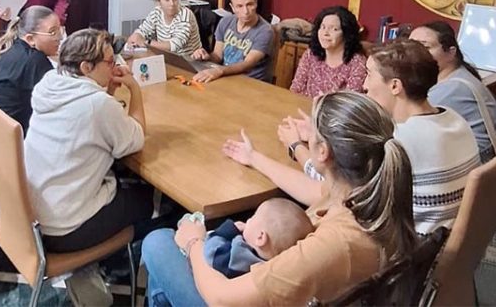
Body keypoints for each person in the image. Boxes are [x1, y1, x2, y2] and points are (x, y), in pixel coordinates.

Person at [141, 91, 418, 306]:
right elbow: (310, 188)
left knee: (159, 243)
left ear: (322, 152)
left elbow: (222, 298)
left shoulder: (335, 244)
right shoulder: (366, 196)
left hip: (236, 299)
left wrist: (193, 243)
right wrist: (254, 158)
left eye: (312, 133)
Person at [282, 40, 480, 234]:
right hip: (442, 243)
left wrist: (296, 145)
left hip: (404, 250)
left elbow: (335, 184)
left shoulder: (396, 140)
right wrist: (322, 133)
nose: (364, 84)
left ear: (395, 86)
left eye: (369, 74)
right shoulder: (454, 119)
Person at [22, 28, 152, 252]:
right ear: (86, 67)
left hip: (34, 217)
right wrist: (134, 89)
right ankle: (117, 262)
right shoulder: (97, 105)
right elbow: (136, 137)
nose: (115, 66)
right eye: (110, 62)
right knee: (148, 199)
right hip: (67, 228)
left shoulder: (50, 84)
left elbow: (90, 120)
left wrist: (107, 90)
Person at [0, 6, 61, 168]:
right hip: (2, 156)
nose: (59, 38)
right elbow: (62, 102)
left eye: (60, 30)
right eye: (52, 32)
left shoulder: (5, 47)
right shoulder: (35, 61)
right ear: (30, 39)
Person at [410, 21, 496, 163]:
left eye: (425, 47)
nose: (414, 54)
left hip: (477, 168)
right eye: (410, 46)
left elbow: (407, 126)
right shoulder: (460, 73)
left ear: (451, 53)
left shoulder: (451, 90)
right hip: (488, 163)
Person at [202, 198, 313, 279]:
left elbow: (211, 252)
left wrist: (227, 231)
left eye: (253, 217)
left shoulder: (240, 258)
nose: (248, 220)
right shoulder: (277, 270)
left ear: (260, 238)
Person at [191, 0, 274, 82]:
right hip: (226, 77)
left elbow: (247, 64)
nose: (246, 11)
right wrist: (205, 56)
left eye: (250, 4)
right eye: (239, 6)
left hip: (252, 83)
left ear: (256, 3)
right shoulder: (225, 22)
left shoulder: (265, 31)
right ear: (232, 8)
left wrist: (219, 70)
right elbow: (217, 56)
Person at [290, 6, 367, 97]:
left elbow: (350, 102)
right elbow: (296, 89)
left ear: (346, 34)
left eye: (334, 29)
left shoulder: (357, 62)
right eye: (322, 27)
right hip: (305, 107)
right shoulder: (311, 54)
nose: (325, 33)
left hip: (335, 111)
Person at [125, 0, 202, 56]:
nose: (172, 4)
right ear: (158, 1)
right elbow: (143, 30)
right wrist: (137, 36)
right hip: (167, 58)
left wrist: (146, 42)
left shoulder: (185, 14)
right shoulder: (157, 12)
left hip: (190, 60)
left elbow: (175, 45)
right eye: (167, 0)